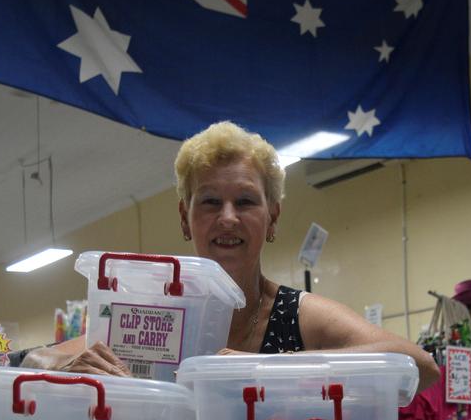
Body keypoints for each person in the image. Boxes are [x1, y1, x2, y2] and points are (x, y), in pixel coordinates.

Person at [25, 121, 438, 391]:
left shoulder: (297, 317)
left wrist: (271, 367)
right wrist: (58, 368)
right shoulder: (149, 314)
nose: (227, 218)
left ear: (272, 219)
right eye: (208, 202)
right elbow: (33, 358)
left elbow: (421, 367)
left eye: (245, 201)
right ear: (185, 220)